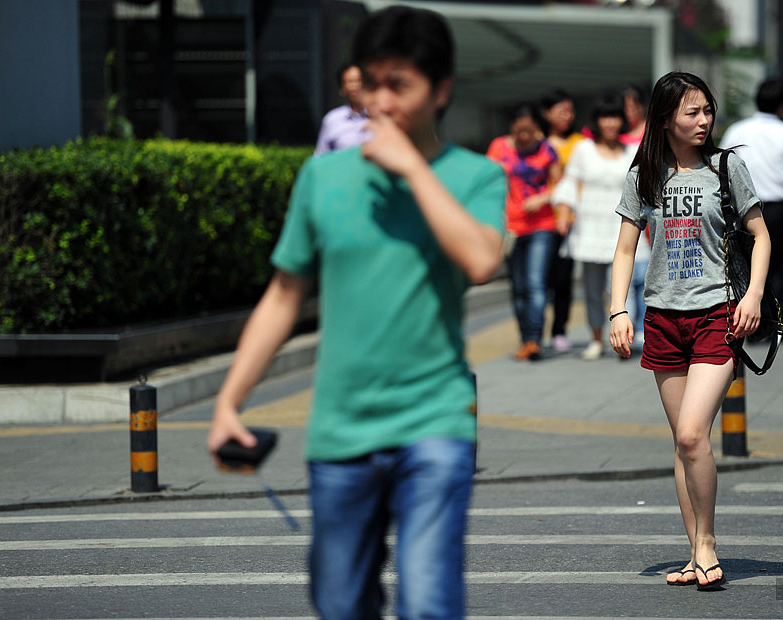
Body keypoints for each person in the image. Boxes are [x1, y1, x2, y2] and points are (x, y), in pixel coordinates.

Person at [207, 6, 506, 618]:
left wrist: (413, 169)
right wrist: (227, 402)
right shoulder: (323, 178)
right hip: (340, 429)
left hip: (435, 422)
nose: (380, 101)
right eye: (371, 83)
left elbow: (480, 261)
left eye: (399, 85)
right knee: (341, 606)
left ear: (441, 89)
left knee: (428, 604)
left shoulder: (476, 176)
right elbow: (284, 295)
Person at [610, 72, 770, 590]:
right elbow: (625, 250)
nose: (704, 121)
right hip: (662, 317)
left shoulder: (727, 167)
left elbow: (760, 236)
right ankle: (694, 551)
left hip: (715, 316)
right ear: (664, 119)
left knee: (691, 433)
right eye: (692, 113)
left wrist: (752, 297)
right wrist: (618, 311)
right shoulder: (645, 176)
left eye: (707, 111)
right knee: (685, 446)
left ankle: (707, 544)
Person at [553, 94, 647, 360]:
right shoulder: (583, 149)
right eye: (605, 117)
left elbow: (644, 188)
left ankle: (623, 338)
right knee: (592, 289)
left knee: (622, 287)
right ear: (596, 121)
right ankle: (596, 338)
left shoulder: (633, 152)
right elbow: (569, 182)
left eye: (615, 117)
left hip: (623, 227)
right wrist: (563, 211)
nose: (610, 123)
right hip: (590, 226)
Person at [720, 77, 783, 325]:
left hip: (743, 208)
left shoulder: (736, 131)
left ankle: (747, 316)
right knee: (782, 267)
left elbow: (720, 168)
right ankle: (773, 320)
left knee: (744, 263)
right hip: (779, 209)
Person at [487, 103, 561, 360]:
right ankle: (524, 339)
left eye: (529, 131)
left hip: (542, 225)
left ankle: (535, 339)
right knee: (517, 288)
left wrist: (542, 199)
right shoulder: (499, 148)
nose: (524, 137)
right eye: (519, 131)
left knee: (535, 283)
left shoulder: (547, 150)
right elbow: (487, 181)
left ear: (537, 130)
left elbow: (560, 185)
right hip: (510, 227)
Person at [541, 89, 583, 352]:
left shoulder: (580, 143)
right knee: (539, 281)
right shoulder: (538, 143)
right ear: (547, 114)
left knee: (563, 280)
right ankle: (534, 331)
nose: (567, 116)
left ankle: (559, 330)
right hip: (543, 221)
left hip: (572, 221)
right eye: (561, 110)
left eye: (570, 110)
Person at [313, 62, 369, 156]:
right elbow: (321, 156)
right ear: (342, 89)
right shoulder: (332, 120)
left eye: (359, 80)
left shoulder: (380, 117)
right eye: (351, 82)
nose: (356, 86)